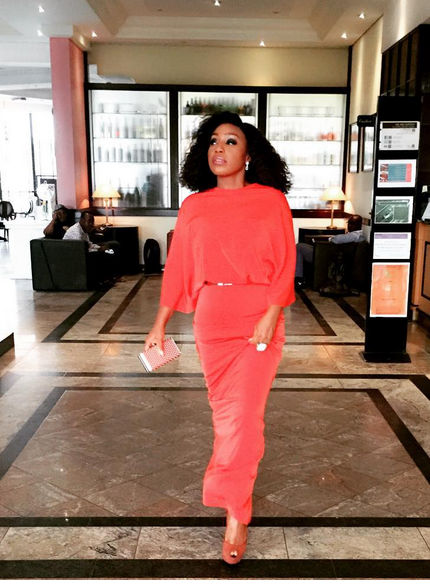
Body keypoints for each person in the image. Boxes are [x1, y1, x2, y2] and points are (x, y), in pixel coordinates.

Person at [144, 112, 295, 565]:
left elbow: (286, 263)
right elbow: (178, 269)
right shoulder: (194, 206)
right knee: (227, 419)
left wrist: (272, 314)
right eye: (213, 141)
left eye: (231, 141)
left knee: (244, 419)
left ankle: (235, 515)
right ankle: (235, 500)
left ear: (248, 154)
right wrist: (159, 323)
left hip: (259, 318)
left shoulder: (271, 201)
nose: (219, 149)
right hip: (212, 321)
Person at [294, 214, 366, 288]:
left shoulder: (355, 235)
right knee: (301, 245)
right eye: (349, 223)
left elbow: (337, 239)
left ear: (359, 225)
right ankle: (299, 278)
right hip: (326, 252)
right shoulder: (357, 235)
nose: (349, 226)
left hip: (325, 257)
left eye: (352, 224)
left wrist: (330, 238)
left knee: (299, 247)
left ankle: (299, 279)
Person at [63, 211, 122, 284]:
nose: (91, 224)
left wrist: (100, 247)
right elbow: (81, 250)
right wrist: (99, 250)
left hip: (84, 251)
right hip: (74, 256)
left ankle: (112, 276)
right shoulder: (76, 232)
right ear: (82, 220)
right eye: (89, 221)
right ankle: (104, 279)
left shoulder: (83, 229)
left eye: (92, 222)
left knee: (114, 245)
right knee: (104, 254)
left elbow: (89, 244)